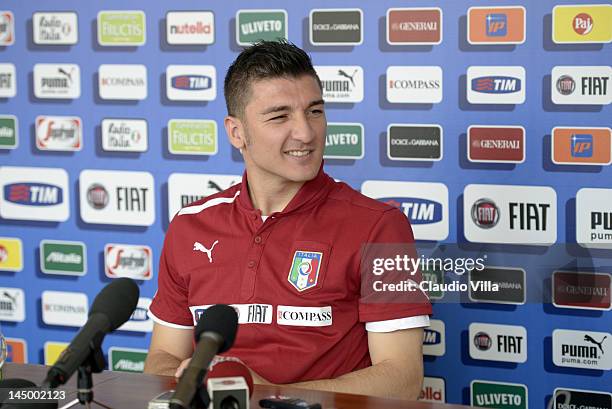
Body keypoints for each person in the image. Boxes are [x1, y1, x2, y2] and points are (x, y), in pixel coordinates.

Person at [144, 40, 432, 399]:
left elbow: (402, 380)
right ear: (236, 132)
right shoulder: (190, 226)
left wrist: (265, 395)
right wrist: (186, 378)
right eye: (280, 116)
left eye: (314, 111)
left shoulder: (380, 226)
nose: (306, 133)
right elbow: (162, 359)